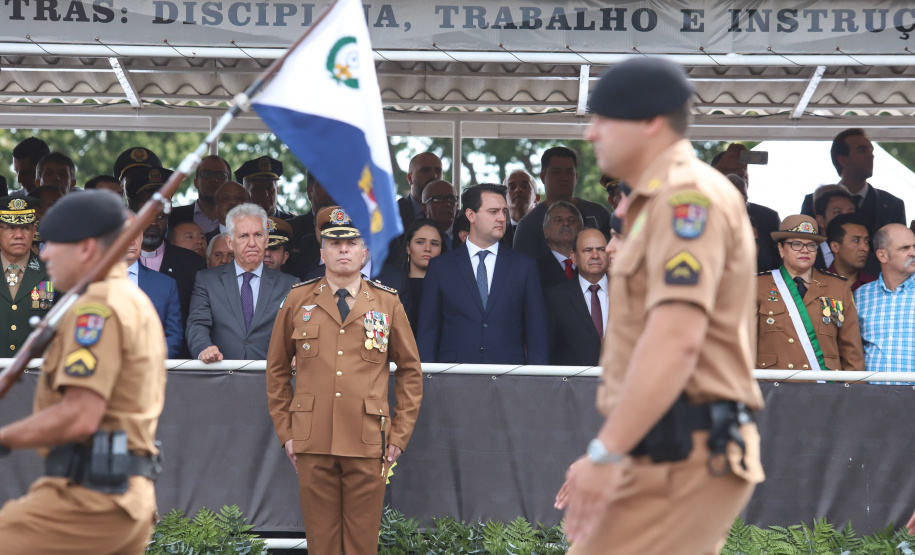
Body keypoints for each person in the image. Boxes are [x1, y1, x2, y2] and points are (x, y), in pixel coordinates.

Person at [554, 58, 765, 555]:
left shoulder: (686, 198)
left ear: (650, 123)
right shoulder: (656, 203)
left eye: (605, 118)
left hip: (683, 452)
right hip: (658, 448)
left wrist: (605, 453)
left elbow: (677, 337)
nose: (592, 132)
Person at [0, 189, 166, 553]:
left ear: (86, 248)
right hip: (117, 494)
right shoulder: (129, 298)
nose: (43, 253)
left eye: (53, 243)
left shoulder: (98, 306)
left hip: (90, 501)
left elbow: (79, 414)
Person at [265, 208, 423, 555]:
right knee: (320, 544)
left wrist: (399, 434)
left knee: (361, 545)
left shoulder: (387, 302)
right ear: (321, 252)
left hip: (368, 439)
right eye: (334, 243)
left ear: (365, 251)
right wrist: (287, 432)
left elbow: (410, 370)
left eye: (351, 242)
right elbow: (276, 370)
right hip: (312, 438)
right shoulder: (297, 300)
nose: (343, 249)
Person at [418, 184, 548, 364]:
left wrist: (536, 384)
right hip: (452, 380)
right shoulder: (440, 267)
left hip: (509, 379)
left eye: (504, 211)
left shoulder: (524, 266)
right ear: (471, 215)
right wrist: (427, 382)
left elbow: (537, 334)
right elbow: (428, 333)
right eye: (493, 212)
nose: (502, 218)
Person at [186, 203, 297, 362]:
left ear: (266, 240)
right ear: (230, 242)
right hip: (222, 376)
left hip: (271, 379)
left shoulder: (290, 284)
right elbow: (197, 324)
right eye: (244, 236)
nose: (252, 243)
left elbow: (298, 330)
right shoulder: (207, 281)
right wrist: (203, 348)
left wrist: (298, 352)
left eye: (258, 235)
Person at [756, 215, 864, 371]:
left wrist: (855, 392)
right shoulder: (758, 285)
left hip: (823, 387)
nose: (805, 250)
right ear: (781, 249)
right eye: (796, 244)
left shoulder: (838, 287)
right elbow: (745, 345)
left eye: (811, 245)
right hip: (774, 387)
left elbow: (852, 351)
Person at [802, 128, 905, 276]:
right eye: (862, 150)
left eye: (871, 150)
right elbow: (804, 244)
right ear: (842, 159)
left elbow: (900, 252)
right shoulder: (813, 201)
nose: (871, 156)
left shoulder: (893, 204)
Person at [126, 167, 206, 334]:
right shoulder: (114, 263)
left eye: (161, 216)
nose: (154, 223)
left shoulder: (192, 264)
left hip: (177, 357)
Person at [512, 146, 610, 259]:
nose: (564, 178)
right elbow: (521, 271)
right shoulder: (528, 225)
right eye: (556, 172)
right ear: (543, 177)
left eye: (569, 172)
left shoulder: (598, 213)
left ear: (576, 177)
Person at [854, 224, 915, 379]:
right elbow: (852, 348)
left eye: (914, 246)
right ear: (882, 256)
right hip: (872, 398)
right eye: (904, 248)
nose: (913, 253)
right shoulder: (861, 295)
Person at [712, 144, 781, 272]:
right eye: (734, 171)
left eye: (745, 170)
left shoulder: (768, 217)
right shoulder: (703, 213)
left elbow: (778, 264)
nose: (742, 173)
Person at [545, 228, 608, 366]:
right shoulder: (555, 298)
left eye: (601, 249)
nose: (595, 255)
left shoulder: (628, 293)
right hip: (573, 385)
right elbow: (547, 351)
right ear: (574, 257)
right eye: (588, 250)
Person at [0, 196, 54, 354]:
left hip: (36, 373)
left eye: (25, 228)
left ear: (34, 231)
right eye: (10, 227)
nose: (18, 235)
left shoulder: (53, 273)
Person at [125, 218, 183, 358]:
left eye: (137, 235)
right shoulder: (92, 283)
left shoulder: (165, 284)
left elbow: (173, 336)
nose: (132, 241)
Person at [401, 219, 444, 336]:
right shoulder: (392, 286)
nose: (428, 248)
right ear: (408, 248)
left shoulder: (449, 289)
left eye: (434, 243)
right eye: (420, 242)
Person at [168, 155, 231, 233]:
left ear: (229, 184)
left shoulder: (239, 218)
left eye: (221, 175)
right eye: (206, 174)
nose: (214, 179)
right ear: (196, 183)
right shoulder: (173, 217)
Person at [536, 200, 583, 292]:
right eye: (558, 220)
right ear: (545, 231)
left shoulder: (590, 264)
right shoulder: (534, 269)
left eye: (571, 220)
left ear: (580, 230)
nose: (566, 223)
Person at [826, 213, 875, 292]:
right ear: (835, 247)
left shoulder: (875, 286)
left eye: (866, 241)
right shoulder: (817, 284)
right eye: (856, 240)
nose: (865, 248)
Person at [235, 156, 294, 220]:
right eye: (258, 189)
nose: (265, 194)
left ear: (277, 190)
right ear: (245, 194)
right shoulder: (235, 225)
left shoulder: (294, 225)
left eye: (270, 188)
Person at [812, 188, 856, 270]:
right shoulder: (807, 256)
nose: (846, 218)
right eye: (838, 213)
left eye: (851, 213)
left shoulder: (870, 260)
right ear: (820, 221)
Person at [397, 152, 443, 231]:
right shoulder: (393, 214)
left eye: (438, 170)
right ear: (410, 178)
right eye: (425, 170)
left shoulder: (453, 213)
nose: (434, 175)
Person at [420, 179, 457, 251]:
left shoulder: (468, 238)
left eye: (451, 198)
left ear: (457, 205)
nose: (447, 204)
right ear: (424, 208)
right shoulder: (415, 238)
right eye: (438, 199)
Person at [504, 169, 539, 235]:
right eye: (512, 187)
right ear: (504, 200)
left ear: (537, 197)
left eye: (524, 186)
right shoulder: (494, 238)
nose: (518, 189)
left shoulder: (550, 232)